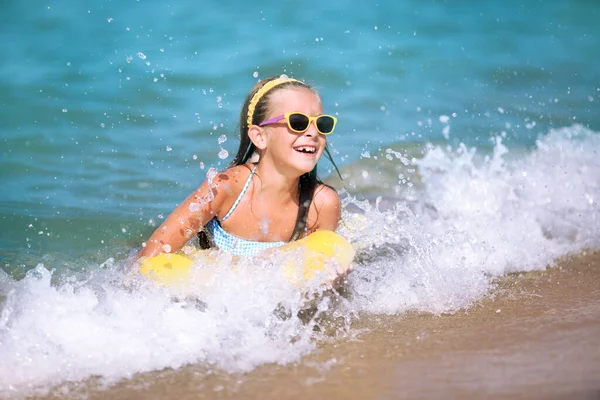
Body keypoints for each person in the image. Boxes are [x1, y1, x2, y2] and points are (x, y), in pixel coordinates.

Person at [138, 75, 343, 259]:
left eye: (322, 124)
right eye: (298, 122)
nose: (313, 133)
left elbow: (322, 286)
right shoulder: (227, 188)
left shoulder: (322, 204)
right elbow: (151, 255)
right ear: (259, 137)